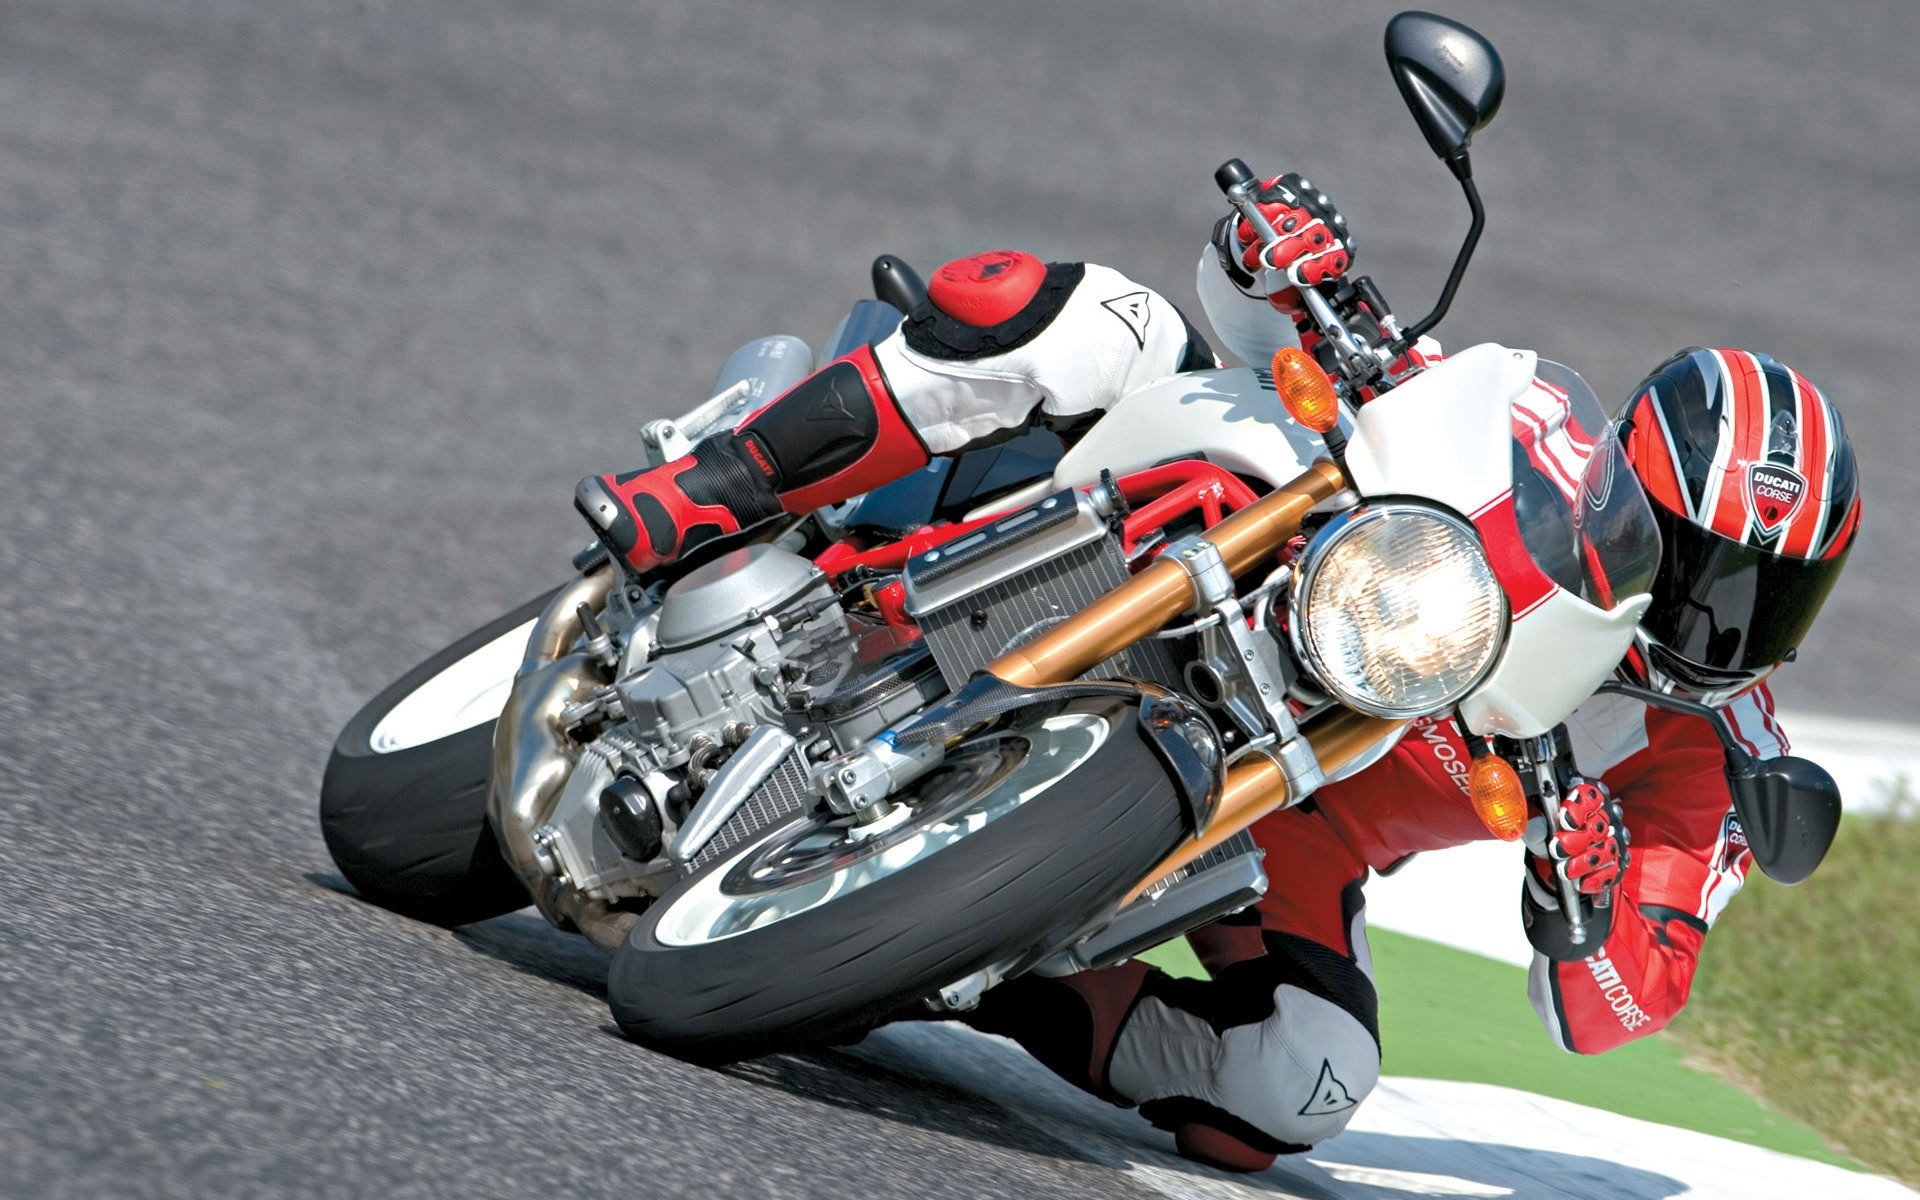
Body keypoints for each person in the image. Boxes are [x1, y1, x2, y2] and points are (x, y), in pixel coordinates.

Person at [575, 177, 1863, 1172]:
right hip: (1233, 558)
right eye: (1699, 569)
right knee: (1099, 321)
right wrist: (1286, 261)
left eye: (1765, 598)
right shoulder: (1532, 438)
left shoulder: (1714, 753)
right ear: (1626, 482)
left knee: (1303, 1084)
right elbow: (1336, 358)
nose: (1712, 622)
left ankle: (958, 960)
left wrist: (1577, 888)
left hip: (1285, 825)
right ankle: (711, 485)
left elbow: (1617, 1006)